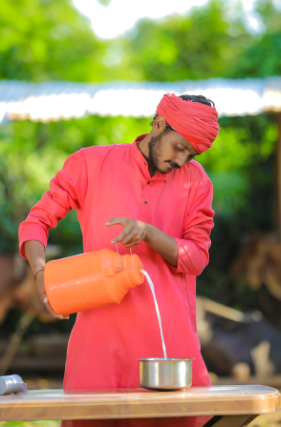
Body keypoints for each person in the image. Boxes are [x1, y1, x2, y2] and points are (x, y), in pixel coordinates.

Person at [18, 93, 219, 427]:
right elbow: (36, 222)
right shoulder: (90, 164)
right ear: (158, 125)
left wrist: (150, 234)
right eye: (178, 146)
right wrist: (39, 271)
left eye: (191, 153)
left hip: (167, 343)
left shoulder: (196, 182)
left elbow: (196, 258)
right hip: (99, 341)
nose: (182, 160)